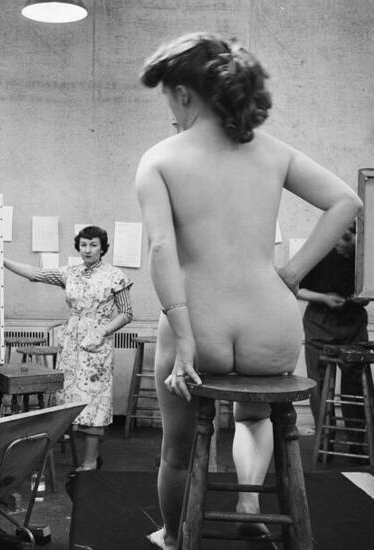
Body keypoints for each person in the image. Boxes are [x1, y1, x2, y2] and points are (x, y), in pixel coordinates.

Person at [135, 32, 362, 550]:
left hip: (199, 322)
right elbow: (346, 202)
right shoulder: (273, 151)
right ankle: (249, 504)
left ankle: (172, 535)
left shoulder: (160, 159)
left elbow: (162, 251)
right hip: (271, 323)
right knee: (256, 417)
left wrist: (186, 340)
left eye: (167, 96)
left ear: (184, 93)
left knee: (177, 450)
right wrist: (292, 274)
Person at [4, 225, 133, 470]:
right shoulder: (69, 273)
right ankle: (71, 454)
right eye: (83, 245)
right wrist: (2, 260)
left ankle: (90, 461)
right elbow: (35, 273)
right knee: (67, 397)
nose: (88, 249)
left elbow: (127, 313)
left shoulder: (115, 276)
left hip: (97, 342)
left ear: (102, 248)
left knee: (94, 400)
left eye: (93, 245)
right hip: (71, 342)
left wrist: (102, 332)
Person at [298, 222, 370, 454]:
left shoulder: (366, 257)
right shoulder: (319, 250)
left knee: (354, 383)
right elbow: (296, 287)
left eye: (346, 239)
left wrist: (365, 297)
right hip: (320, 322)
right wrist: (324, 298)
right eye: (337, 237)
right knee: (317, 383)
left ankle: (357, 444)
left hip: (352, 322)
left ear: (359, 238)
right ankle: (324, 442)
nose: (340, 244)